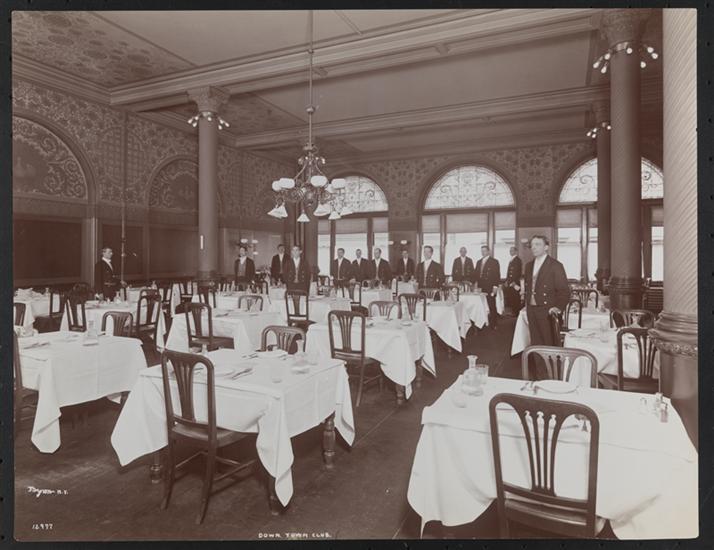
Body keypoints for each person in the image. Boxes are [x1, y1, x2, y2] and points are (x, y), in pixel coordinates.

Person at [524, 235, 570, 349]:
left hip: (547, 310)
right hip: (531, 309)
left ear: (546, 247)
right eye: (532, 245)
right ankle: (538, 361)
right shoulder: (528, 266)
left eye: (537, 244)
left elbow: (564, 291)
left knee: (548, 343)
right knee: (535, 342)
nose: (533, 247)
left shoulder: (555, 265)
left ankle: (550, 362)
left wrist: (558, 307)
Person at [474, 245, 501, 329]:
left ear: (488, 251)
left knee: (491, 305)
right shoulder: (479, 262)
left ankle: (494, 323)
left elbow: (497, 275)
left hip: (490, 286)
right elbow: (476, 275)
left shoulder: (494, 262)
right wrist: (475, 284)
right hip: (481, 287)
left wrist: (495, 287)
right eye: (482, 251)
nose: (483, 252)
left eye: (484, 251)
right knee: (481, 305)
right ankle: (482, 323)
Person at [504, 245, 523, 315]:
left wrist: (513, 282)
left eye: (512, 250)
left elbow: (517, 272)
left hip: (514, 282)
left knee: (515, 297)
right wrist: (507, 281)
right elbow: (509, 272)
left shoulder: (517, 260)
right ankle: (513, 311)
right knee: (512, 297)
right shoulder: (511, 260)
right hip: (510, 282)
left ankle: (516, 312)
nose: (510, 252)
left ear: (516, 251)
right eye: (510, 251)